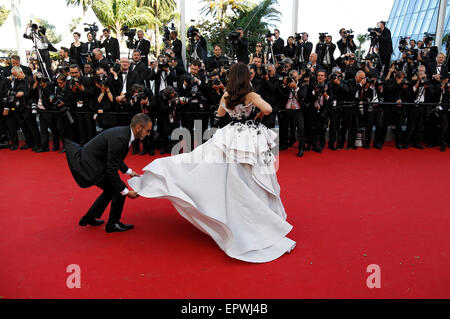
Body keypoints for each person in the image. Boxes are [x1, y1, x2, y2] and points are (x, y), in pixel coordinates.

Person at [128, 62, 295, 263]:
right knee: (251, 176)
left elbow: (221, 114)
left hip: (231, 134)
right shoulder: (250, 94)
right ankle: (257, 215)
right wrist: (257, 111)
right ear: (246, 77)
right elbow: (268, 109)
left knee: (211, 169)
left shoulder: (227, 94)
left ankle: (229, 209)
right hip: (248, 136)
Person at [64, 113, 151, 233]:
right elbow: (111, 169)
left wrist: (129, 172)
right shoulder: (121, 138)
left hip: (93, 162)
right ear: (138, 127)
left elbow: (115, 158)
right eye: (148, 130)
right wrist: (126, 192)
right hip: (89, 166)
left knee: (112, 190)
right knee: (118, 190)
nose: (149, 133)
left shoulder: (124, 133)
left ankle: (89, 217)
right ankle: (113, 224)